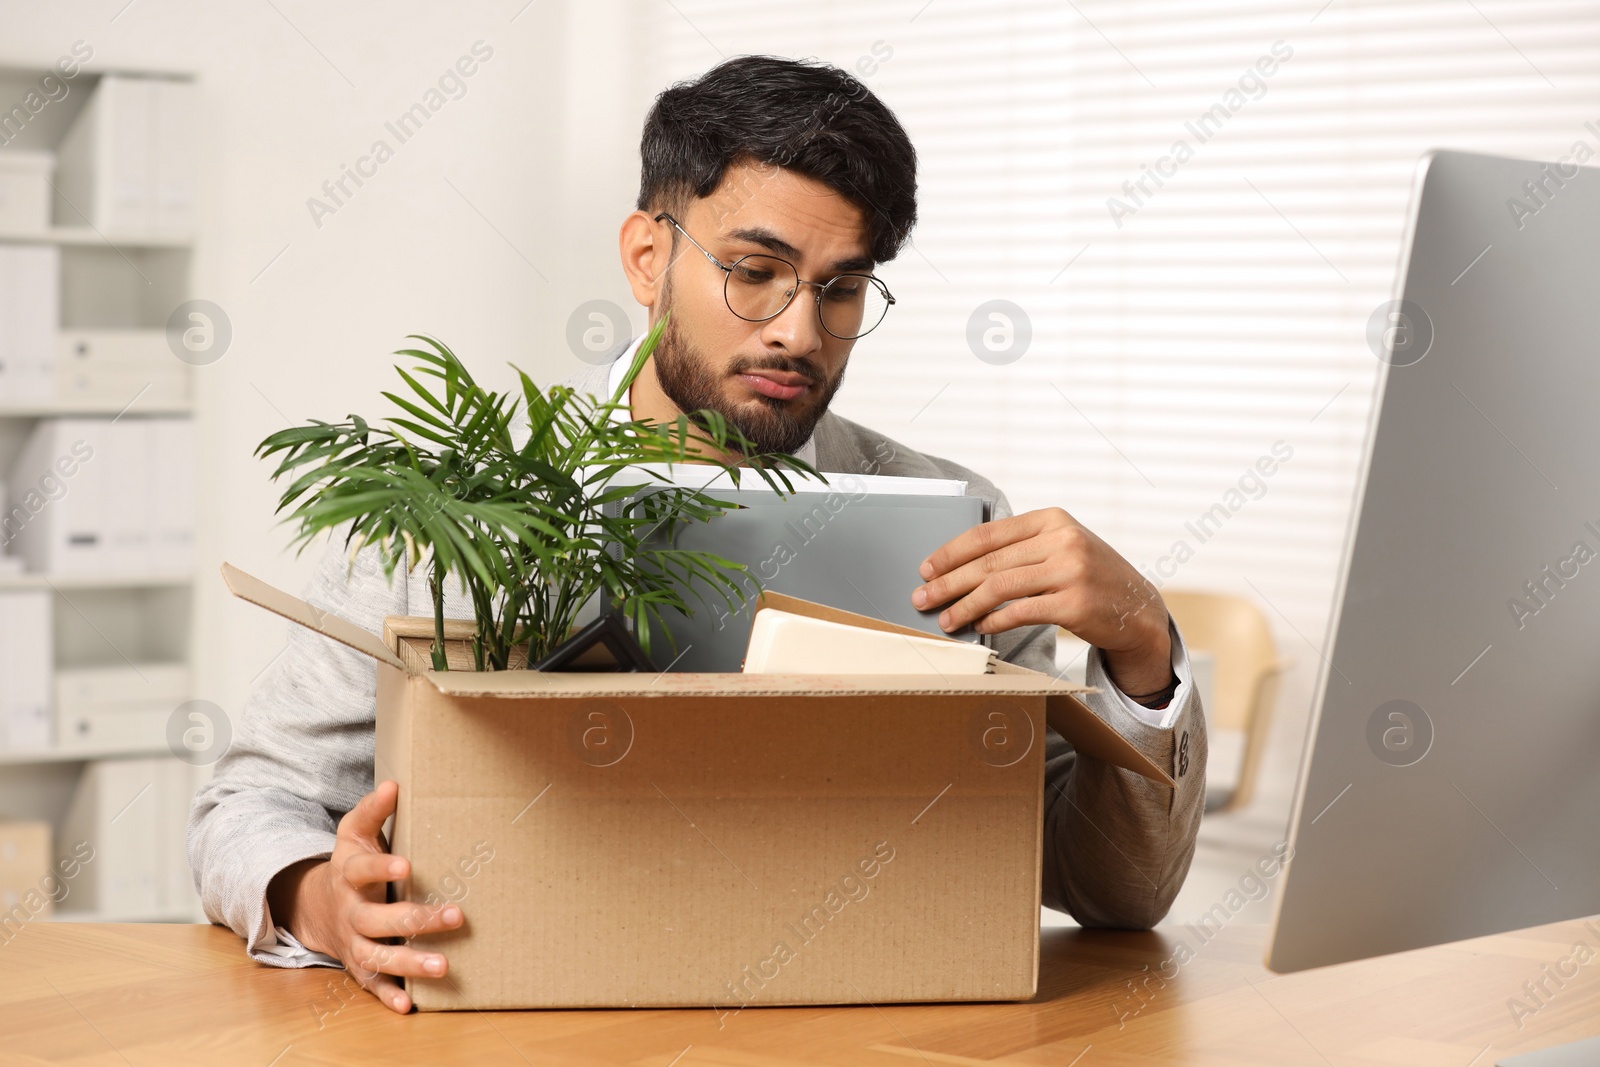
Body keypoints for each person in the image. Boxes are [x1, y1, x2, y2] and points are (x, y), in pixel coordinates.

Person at [189, 55, 1207, 1014]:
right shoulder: (457, 508)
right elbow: (249, 802)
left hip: (859, 1015)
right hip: (510, 1012)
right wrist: (319, 894)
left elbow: (1114, 894)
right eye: (753, 270)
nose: (797, 332)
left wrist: (1141, 650)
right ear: (646, 256)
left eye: (840, 288)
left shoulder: (953, 520)